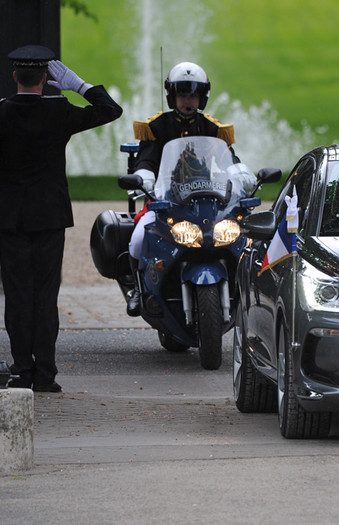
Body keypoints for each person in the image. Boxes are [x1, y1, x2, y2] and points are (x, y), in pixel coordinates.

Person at [0, 45, 122, 391]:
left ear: (14, 77)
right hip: (49, 216)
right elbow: (110, 110)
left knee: (18, 295)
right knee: (45, 296)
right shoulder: (59, 112)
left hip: (9, 219)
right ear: (47, 78)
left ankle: (21, 370)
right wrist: (79, 85)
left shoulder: (2, 114)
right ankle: (46, 374)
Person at [126, 61, 256, 316]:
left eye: (193, 95)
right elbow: (147, 159)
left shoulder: (212, 128)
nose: (187, 100)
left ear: (202, 97)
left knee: (241, 235)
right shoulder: (158, 126)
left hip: (207, 199)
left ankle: (245, 287)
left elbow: (228, 159)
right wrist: (143, 177)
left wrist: (239, 173)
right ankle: (136, 289)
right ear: (172, 96)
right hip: (165, 201)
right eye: (182, 95)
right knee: (138, 239)